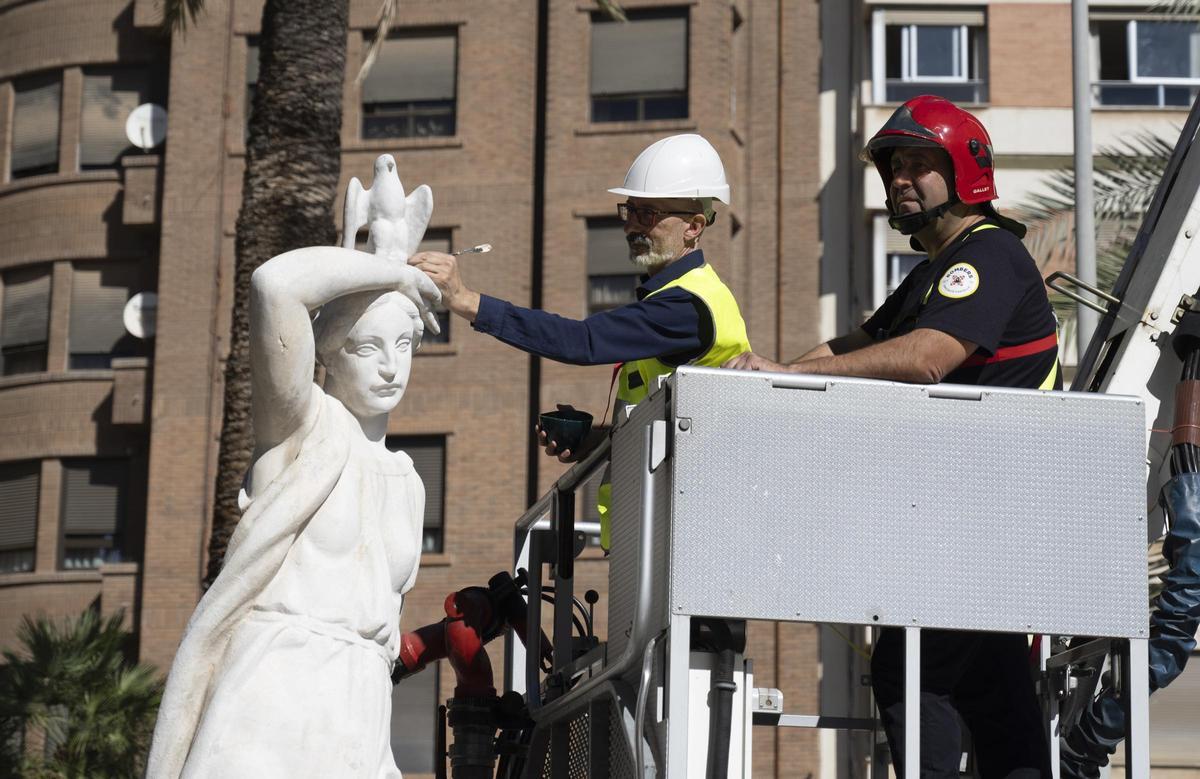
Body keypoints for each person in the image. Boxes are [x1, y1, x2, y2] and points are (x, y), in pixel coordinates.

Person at [726, 95, 1058, 777]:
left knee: (911, 670)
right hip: (977, 520)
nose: (900, 178)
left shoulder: (988, 255)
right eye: (894, 166)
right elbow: (854, 344)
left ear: (965, 173)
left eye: (918, 164)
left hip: (985, 516)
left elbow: (925, 356)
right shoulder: (933, 273)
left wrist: (782, 375)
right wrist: (763, 383)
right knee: (992, 691)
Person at [147, 245, 442, 778]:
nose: (389, 366)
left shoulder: (410, 481)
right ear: (326, 355)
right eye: (365, 346)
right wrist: (399, 273)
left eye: (402, 344)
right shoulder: (302, 430)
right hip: (276, 691)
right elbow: (275, 284)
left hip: (363, 701)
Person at [410, 134, 751, 550]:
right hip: (668, 533)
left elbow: (581, 341)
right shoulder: (677, 298)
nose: (631, 225)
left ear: (693, 227)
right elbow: (676, 429)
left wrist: (465, 300)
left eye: (648, 213)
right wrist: (595, 441)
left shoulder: (687, 305)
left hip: (692, 538)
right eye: (629, 210)